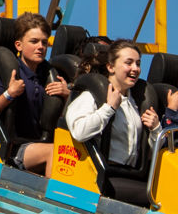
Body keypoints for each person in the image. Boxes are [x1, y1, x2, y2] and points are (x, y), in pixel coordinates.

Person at [65, 39, 178, 168]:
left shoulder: (136, 103)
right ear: (110, 67)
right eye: (128, 63)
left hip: (128, 176)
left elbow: (154, 154)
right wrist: (109, 108)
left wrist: (155, 129)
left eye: (138, 63)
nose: (135, 69)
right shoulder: (92, 96)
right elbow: (79, 132)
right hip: (97, 175)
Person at [0, 12, 69, 177]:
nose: (40, 47)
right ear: (19, 45)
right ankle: (52, 201)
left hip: (39, 145)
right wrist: (9, 94)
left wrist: (68, 96)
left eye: (44, 43)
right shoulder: (8, 72)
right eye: (34, 41)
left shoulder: (48, 76)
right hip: (13, 149)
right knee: (55, 152)